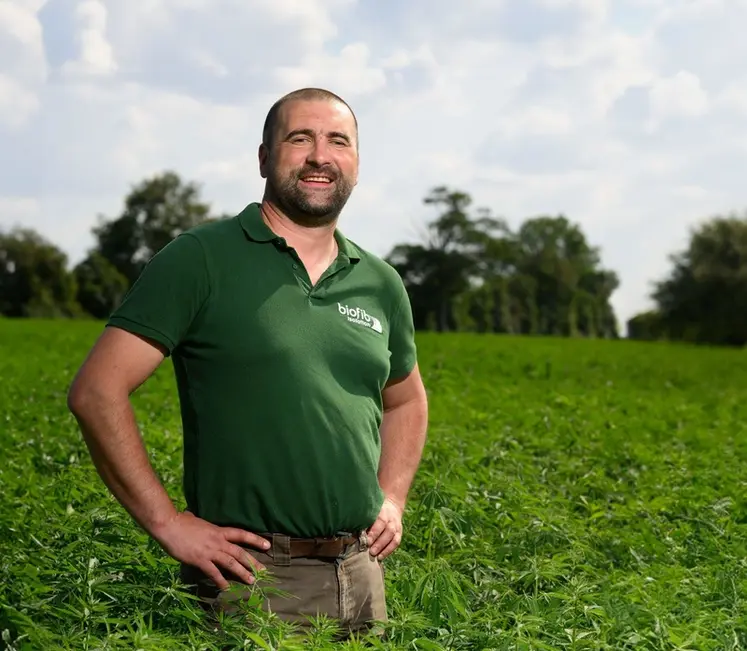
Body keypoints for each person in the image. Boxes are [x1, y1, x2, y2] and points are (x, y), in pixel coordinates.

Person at [66, 87, 429, 638]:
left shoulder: (380, 282)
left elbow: (405, 398)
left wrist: (393, 498)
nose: (319, 156)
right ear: (263, 156)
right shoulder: (201, 259)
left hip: (361, 577)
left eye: (338, 141)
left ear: (356, 163)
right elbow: (96, 392)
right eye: (299, 138)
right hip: (252, 579)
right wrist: (168, 523)